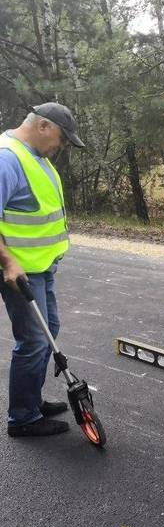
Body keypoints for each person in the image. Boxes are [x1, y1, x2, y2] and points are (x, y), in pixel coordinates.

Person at [1, 103, 86, 437]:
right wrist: (8, 262)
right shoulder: (9, 158)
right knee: (35, 341)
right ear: (44, 126)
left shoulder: (35, 156)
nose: (62, 147)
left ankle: (31, 400)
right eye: (63, 140)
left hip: (41, 267)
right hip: (19, 271)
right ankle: (22, 418)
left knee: (49, 328)